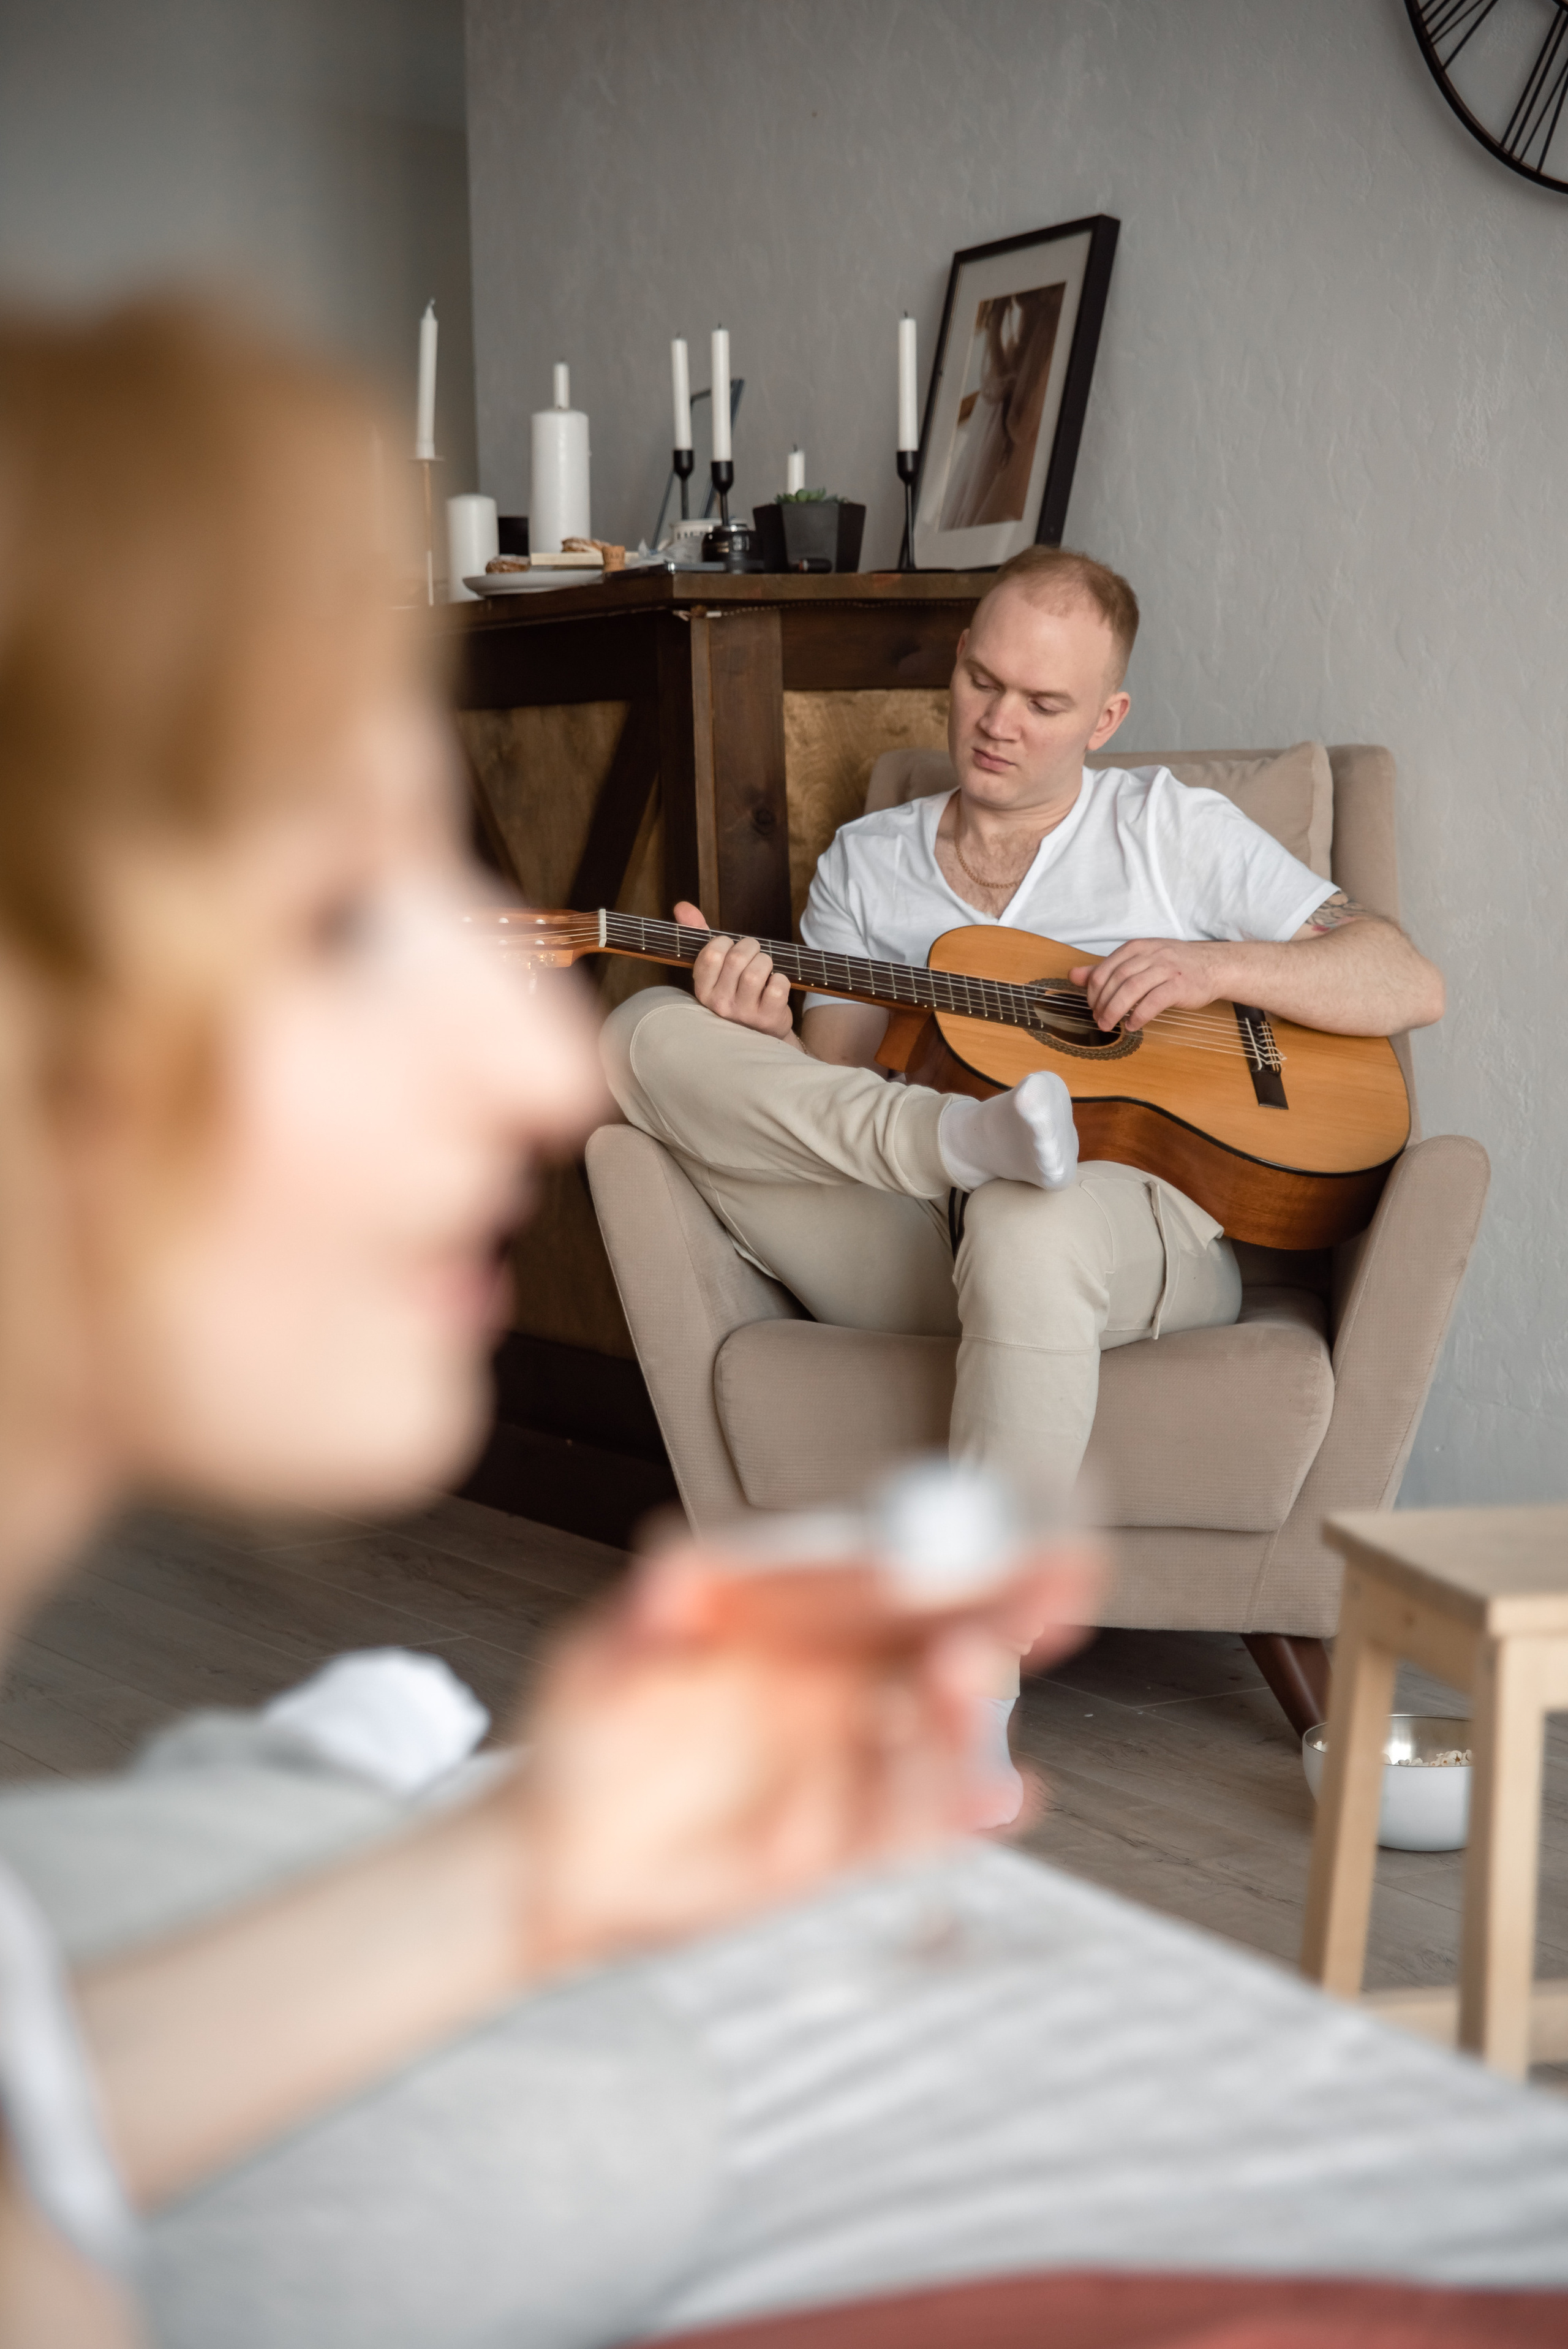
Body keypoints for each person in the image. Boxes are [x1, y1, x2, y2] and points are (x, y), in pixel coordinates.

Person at [0, 300, 1083, 2345]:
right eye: (339, 912)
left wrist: (537, 1856)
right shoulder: (879, 858)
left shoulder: (1187, 859)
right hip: (899, 1175)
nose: (522, 1054)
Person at [601, 546, 1447, 1816]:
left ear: (1103, 719)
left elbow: (1402, 981)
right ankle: (960, 1142)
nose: (997, 722)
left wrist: (1213, 968)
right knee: (639, 1040)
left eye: (1043, 704)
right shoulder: (869, 860)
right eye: (979, 680)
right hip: (908, 1208)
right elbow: (831, 1082)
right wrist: (757, 1023)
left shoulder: (1171, 829)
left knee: (1025, 1216)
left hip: (1134, 1227)